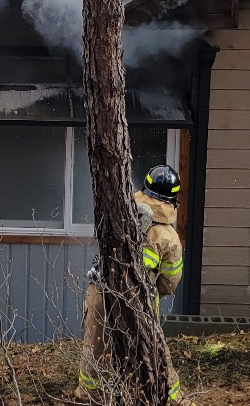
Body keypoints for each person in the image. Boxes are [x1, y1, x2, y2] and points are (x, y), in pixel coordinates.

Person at [77, 164, 188, 403]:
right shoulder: (169, 238)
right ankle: (170, 397)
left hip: (101, 289)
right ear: (172, 199)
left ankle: (88, 395)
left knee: (95, 343)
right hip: (141, 301)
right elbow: (169, 283)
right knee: (152, 347)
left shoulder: (121, 212)